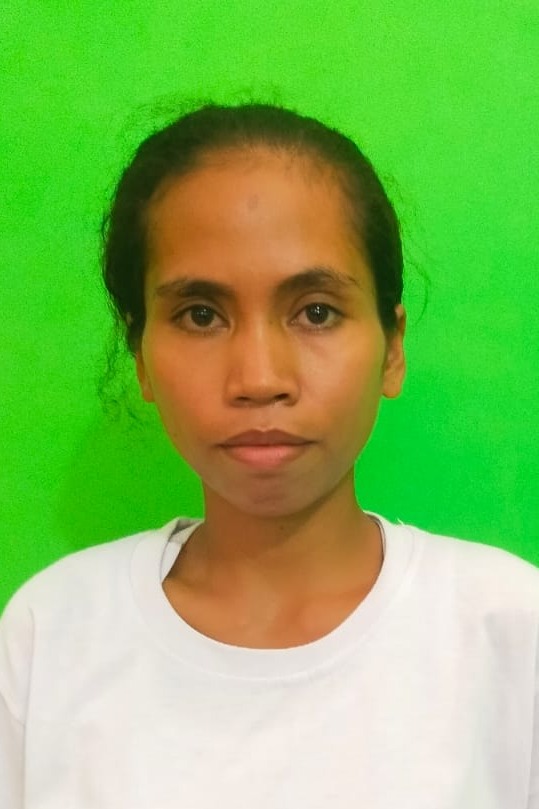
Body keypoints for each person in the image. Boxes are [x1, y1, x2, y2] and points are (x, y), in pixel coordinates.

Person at [1, 102, 538, 808]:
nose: (258, 377)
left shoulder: (510, 630)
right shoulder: (53, 633)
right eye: (200, 315)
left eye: (316, 311)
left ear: (392, 348)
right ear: (140, 356)